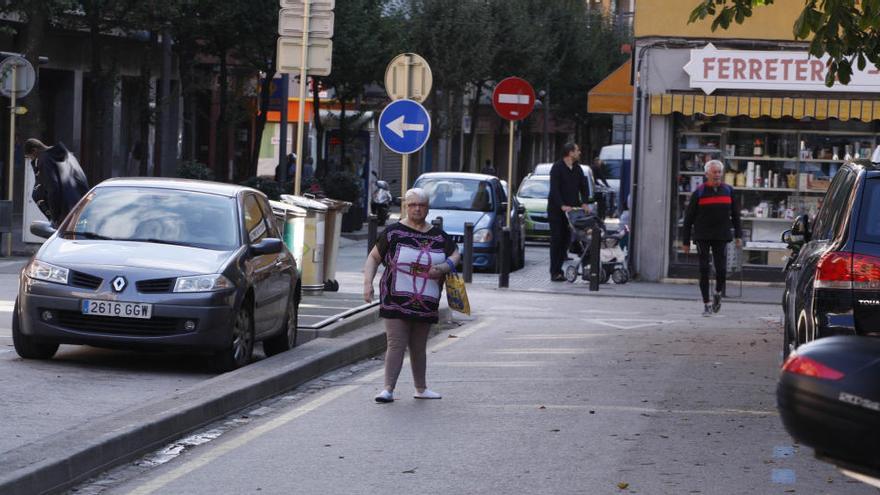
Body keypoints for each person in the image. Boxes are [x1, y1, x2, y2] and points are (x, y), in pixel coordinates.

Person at [363, 188, 461, 403]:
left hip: (426, 300)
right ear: (405, 206)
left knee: (418, 346)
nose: (417, 208)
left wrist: (445, 266)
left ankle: (421, 388)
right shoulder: (393, 232)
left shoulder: (437, 235)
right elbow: (373, 258)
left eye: (422, 205)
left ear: (428, 207)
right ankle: (388, 389)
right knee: (396, 343)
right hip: (395, 297)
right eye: (412, 205)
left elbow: (456, 253)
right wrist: (367, 284)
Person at [682, 159, 742, 316]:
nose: (717, 175)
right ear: (706, 174)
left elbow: (735, 215)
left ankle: (717, 293)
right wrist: (686, 241)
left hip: (721, 235)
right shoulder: (699, 192)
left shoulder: (728, 190)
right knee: (704, 270)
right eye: (714, 172)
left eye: (719, 172)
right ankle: (706, 304)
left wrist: (738, 235)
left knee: (721, 270)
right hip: (702, 235)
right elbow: (688, 219)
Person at [547, 142, 590, 282]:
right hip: (557, 211)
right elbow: (555, 189)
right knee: (557, 239)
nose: (579, 153)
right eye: (577, 150)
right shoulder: (557, 168)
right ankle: (555, 272)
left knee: (566, 240)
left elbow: (584, 187)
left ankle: (562, 269)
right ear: (570, 153)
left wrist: (584, 202)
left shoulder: (577, 169)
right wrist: (561, 205)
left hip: (572, 211)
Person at [23, 138, 89, 227]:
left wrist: (55, 218)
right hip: (82, 206)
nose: (32, 160)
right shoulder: (67, 154)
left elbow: (52, 189)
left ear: (34, 151)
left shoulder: (45, 159)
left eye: (31, 157)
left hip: (66, 213)